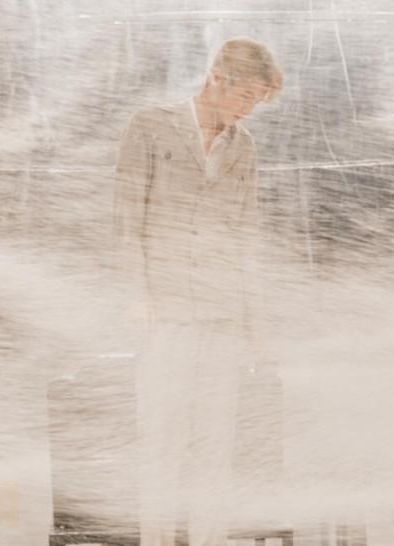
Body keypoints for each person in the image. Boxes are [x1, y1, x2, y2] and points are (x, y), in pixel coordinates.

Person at [113, 37, 283, 546]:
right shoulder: (149, 126)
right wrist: (136, 295)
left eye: (257, 102)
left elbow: (246, 238)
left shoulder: (243, 148)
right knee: (161, 445)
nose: (249, 110)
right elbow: (127, 221)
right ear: (217, 78)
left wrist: (254, 330)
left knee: (215, 447)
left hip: (222, 319)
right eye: (245, 96)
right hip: (164, 318)